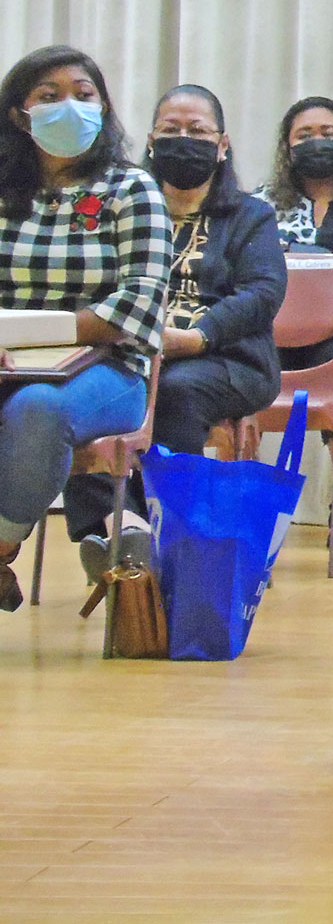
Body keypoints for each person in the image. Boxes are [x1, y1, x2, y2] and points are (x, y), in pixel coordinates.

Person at [63, 83, 287, 577]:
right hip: (130, 350)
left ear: (222, 145)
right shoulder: (120, 208)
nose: (184, 139)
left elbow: (262, 294)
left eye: (198, 131)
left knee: (174, 392)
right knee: (87, 396)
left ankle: (171, 534)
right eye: (171, 129)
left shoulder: (252, 215)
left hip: (226, 358)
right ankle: (117, 531)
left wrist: (197, 337)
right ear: (150, 140)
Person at [0, 47, 170, 611]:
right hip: (5, 361)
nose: (69, 106)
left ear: (103, 107)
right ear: (19, 115)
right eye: (49, 97)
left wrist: (40, 336)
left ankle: (1, 547)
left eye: (83, 93)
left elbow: (140, 304)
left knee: (38, 408)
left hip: (107, 369)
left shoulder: (132, 189)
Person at [264, 96, 333, 253]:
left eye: (328, 134)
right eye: (305, 136)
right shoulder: (262, 205)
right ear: (287, 147)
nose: (318, 144)